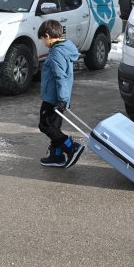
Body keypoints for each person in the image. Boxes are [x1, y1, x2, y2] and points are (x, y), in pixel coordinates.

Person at [37, 19, 85, 168]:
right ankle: (56, 156)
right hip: (58, 97)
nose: (43, 42)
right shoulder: (63, 48)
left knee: (45, 126)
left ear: (48, 35)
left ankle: (72, 147)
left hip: (54, 99)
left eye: (42, 39)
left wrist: (62, 100)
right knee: (54, 127)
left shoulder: (57, 52)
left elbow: (61, 77)